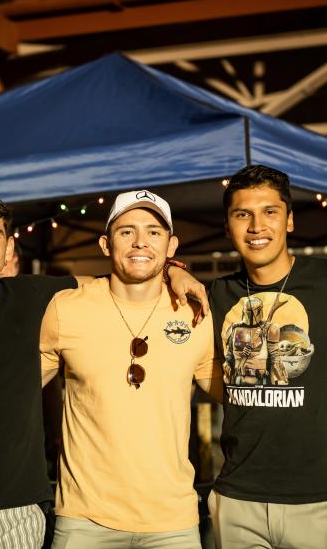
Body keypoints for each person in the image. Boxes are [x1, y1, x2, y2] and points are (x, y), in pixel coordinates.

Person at [0, 191, 207, 549]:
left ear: (9, 249)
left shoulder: (35, 297)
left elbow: (122, 274)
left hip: (17, 514)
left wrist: (173, 271)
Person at [207, 164, 327, 548]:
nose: (256, 226)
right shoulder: (216, 295)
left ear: (289, 221)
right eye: (242, 214)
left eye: (270, 212)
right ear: (228, 226)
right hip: (238, 497)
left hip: (325, 499)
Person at [39, 190, 222, 548]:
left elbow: (234, 394)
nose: (141, 241)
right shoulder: (67, 307)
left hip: (173, 523)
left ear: (172, 247)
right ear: (106, 244)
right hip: (84, 522)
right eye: (127, 232)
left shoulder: (194, 311)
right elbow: (15, 386)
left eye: (154, 232)